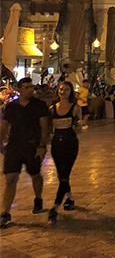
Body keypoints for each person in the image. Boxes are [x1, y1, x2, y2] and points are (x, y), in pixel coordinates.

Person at [0, 78, 51, 228]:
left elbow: (44, 126)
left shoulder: (39, 105)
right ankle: (6, 212)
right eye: (27, 87)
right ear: (19, 89)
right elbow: (5, 125)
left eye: (32, 87)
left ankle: (38, 198)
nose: (31, 90)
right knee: (10, 178)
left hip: (32, 145)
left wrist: (42, 145)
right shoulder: (11, 107)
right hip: (14, 145)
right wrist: (1, 142)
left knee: (35, 174)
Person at [47, 82, 82, 223]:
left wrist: (79, 124)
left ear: (70, 91)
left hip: (70, 143)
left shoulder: (75, 108)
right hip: (56, 144)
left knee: (64, 173)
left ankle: (55, 207)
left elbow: (78, 129)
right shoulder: (52, 109)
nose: (63, 91)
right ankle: (70, 197)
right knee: (61, 173)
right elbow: (49, 128)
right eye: (61, 89)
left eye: (66, 89)